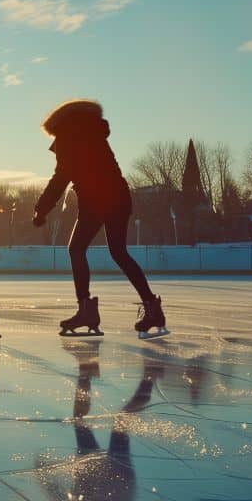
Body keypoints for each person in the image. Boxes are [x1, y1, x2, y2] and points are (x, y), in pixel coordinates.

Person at [32, 99, 166, 338]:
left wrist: (41, 210)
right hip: (118, 196)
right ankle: (151, 307)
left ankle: (86, 311)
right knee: (119, 252)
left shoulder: (69, 136)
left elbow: (61, 177)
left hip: (96, 199)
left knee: (76, 249)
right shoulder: (94, 132)